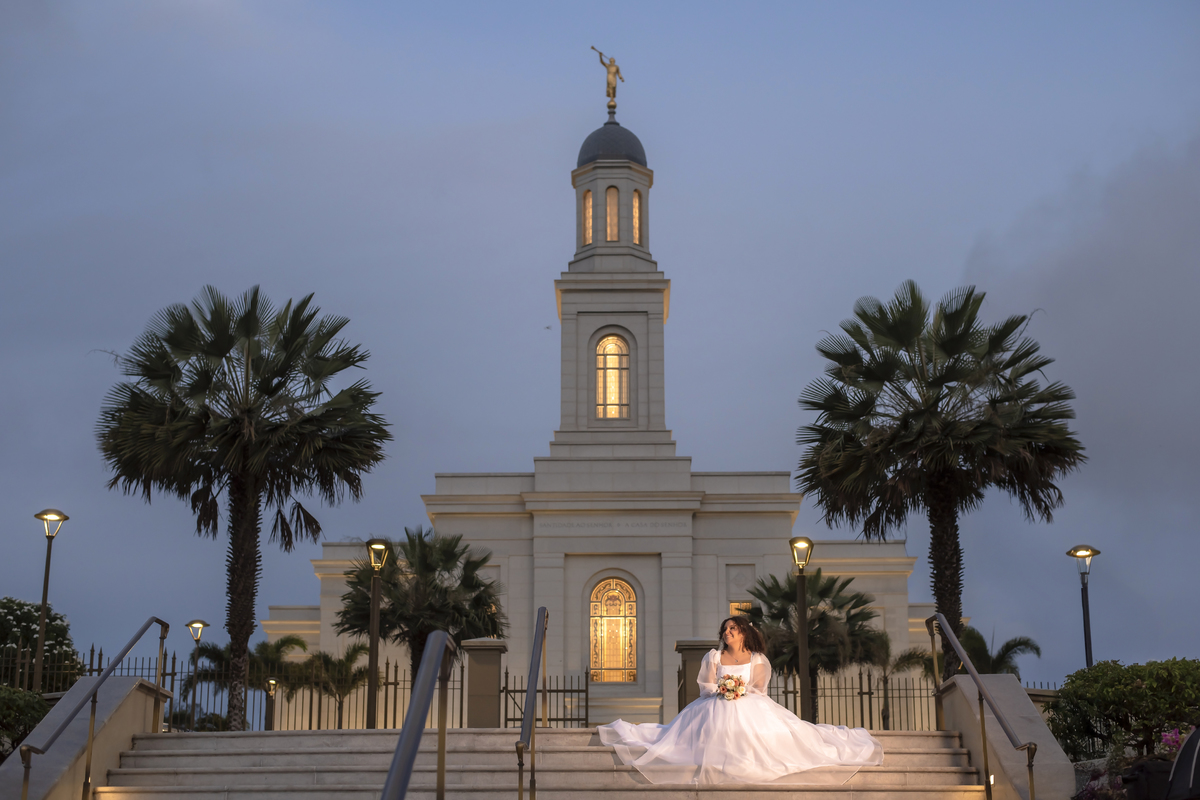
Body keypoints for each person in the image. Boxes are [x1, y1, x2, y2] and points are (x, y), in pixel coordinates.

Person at [597, 616, 883, 785]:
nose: (727, 632)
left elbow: (759, 690)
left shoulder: (758, 659)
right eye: (725, 630)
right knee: (696, 729)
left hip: (748, 702)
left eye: (733, 628)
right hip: (715, 701)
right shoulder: (714, 656)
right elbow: (705, 684)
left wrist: (738, 690)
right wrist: (722, 689)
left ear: (744, 632)